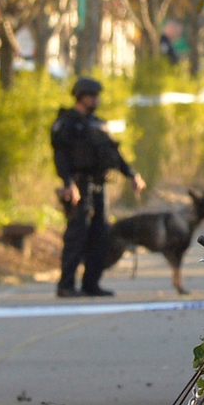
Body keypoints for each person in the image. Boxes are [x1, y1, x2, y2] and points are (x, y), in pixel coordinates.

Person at [50, 76, 144, 299]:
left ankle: (91, 283)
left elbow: (114, 154)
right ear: (80, 97)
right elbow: (60, 157)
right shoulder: (67, 123)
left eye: (96, 96)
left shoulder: (98, 123)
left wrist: (131, 174)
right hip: (78, 184)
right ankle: (66, 285)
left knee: (101, 235)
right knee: (77, 235)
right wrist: (68, 183)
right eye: (91, 96)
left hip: (99, 185)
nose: (95, 100)